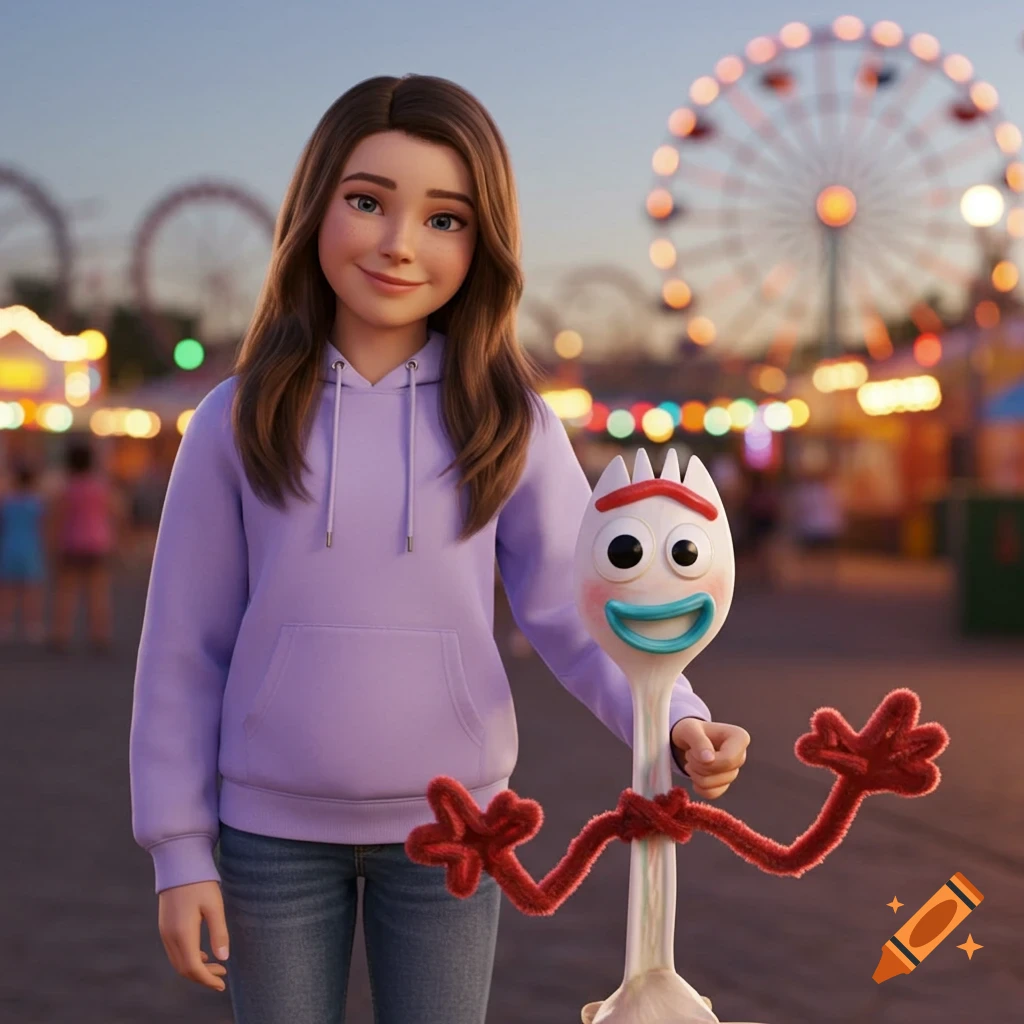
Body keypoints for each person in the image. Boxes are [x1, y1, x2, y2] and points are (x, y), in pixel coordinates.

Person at [129, 74, 751, 1024]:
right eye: (368, 201)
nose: (398, 243)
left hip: (461, 830)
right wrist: (178, 848)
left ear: (484, 243)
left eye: (444, 219)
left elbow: (582, 614)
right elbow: (183, 643)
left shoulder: (512, 422)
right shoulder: (233, 419)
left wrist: (676, 719)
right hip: (265, 835)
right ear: (313, 207)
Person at [49, 443, 116, 652]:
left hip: (72, 543)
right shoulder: (100, 487)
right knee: (97, 591)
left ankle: (61, 633)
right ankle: (99, 634)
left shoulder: (68, 488)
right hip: (96, 543)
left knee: (66, 591)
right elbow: (114, 512)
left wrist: (52, 543)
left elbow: (58, 517)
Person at [0, 464, 47, 644]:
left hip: (9, 547)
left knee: (7, 591)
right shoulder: (35, 503)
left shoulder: (7, 502)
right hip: (30, 549)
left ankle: (4, 624)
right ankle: (33, 625)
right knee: (31, 590)